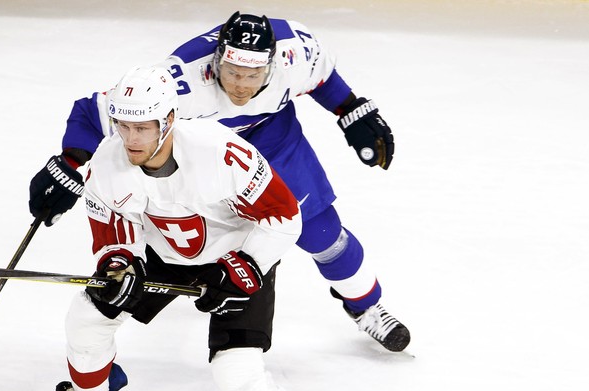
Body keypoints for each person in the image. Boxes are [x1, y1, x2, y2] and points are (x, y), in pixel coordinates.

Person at [30, 66, 333, 391]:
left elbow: (283, 215)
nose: (130, 137)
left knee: (236, 369)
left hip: (240, 252)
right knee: (87, 318)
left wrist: (246, 265)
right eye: (123, 125)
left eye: (142, 127)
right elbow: (114, 230)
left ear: (168, 120)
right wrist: (119, 267)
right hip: (166, 253)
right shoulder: (109, 162)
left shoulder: (222, 153)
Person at [28, 11, 410, 352]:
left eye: (252, 75)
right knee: (197, 234)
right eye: (231, 73)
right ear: (216, 62)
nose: (241, 86)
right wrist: (69, 163)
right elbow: (91, 112)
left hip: (272, 137)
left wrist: (351, 110)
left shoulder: (295, 50)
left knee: (320, 232)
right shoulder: (181, 79)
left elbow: (323, 79)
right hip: (202, 151)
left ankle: (367, 306)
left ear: (272, 66)